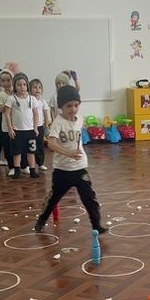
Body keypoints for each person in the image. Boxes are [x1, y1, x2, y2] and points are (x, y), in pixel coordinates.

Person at [34, 85, 105, 233]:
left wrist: (76, 154)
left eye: (76, 105)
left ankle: (96, 225)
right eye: (69, 106)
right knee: (54, 198)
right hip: (62, 170)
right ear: (61, 106)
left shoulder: (80, 119)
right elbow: (51, 143)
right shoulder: (58, 122)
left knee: (89, 198)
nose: (73, 109)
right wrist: (68, 153)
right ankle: (42, 219)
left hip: (80, 167)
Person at [5, 72, 40, 180]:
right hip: (17, 130)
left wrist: (35, 127)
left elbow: (35, 113)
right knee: (17, 152)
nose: (22, 87)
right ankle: (17, 170)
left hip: (30, 130)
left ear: (27, 86)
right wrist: (10, 128)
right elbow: (7, 114)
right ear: (15, 86)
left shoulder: (32, 99)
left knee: (31, 151)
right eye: (19, 85)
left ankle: (32, 170)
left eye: (24, 84)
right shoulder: (11, 99)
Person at [0, 69, 14, 174]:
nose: (6, 83)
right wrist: (9, 101)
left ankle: (22, 165)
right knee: (7, 146)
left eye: (8, 80)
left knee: (18, 145)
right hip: (6, 125)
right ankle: (11, 167)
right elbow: (1, 109)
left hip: (18, 124)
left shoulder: (17, 93)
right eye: (3, 81)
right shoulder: (1, 95)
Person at [30, 78, 51, 171]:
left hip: (39, 126)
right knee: (30, 145)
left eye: (39, 87)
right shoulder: (29, 100)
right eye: (35, 87)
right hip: (30, 127)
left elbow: (46, 114)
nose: (37, 89)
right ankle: (29, 164)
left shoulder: (42, 101)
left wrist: (46, 126)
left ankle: (40, 163)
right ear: (30, 89)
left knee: (39, 145)